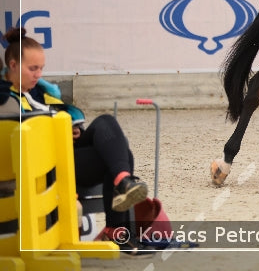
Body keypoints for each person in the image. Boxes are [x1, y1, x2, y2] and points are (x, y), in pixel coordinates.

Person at [2, 27, 151, 254]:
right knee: (121, 156)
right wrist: (58, 129)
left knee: (105, 122)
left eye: (41, 68)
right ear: (12, 65)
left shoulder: (37, 92)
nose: (38, 74)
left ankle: (124, 180)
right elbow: (23, 132)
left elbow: (52, 115)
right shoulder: (5, 98)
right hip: (42, 165)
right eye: (32, 68)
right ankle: (118, 228)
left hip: (60, 152)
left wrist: (70, 129)